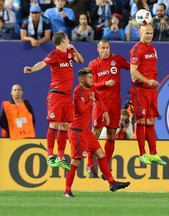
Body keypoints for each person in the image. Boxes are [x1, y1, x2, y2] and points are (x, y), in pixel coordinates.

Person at [63, 67, 130, 198]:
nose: (92, 79)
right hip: (76, 131)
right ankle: (67, 191)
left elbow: (99, 99)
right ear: (82, 79)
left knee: (101, 154)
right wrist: (91, 100)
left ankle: (112, 183)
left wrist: (105, 112)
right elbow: (82, 110)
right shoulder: (78, 91)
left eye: (92, 77)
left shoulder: (92, 88)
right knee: (76, 161)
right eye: (89, 78)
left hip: (86, 131)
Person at [23, 31, 84, 171]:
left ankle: (61, 157)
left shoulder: (69, 53)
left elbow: (81, 61)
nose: (69, 40)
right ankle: (50, 155)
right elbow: (42, 63)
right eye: (67, 38)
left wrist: (74, 49)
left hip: (68, 96)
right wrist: (31, 69)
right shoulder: (54, 55)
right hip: (56, 95)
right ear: (63, 40)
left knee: (64, 126)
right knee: (54, 125)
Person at [87, 39, 130, 178]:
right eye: (103, 48)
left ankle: (105, 167)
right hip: (100, 103)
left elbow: (130, 67)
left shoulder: (116, 60)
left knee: (112, 134)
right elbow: (91, 84)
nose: (106, 51)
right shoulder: (93, 64)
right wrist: (105, 82)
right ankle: (89, 164)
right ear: (98, 49)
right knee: (96, 132)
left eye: (107, 48)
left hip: (114, 103)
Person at [129, 24, 166, 166]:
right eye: (147, 33)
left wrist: (151, 82)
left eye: (151, 33)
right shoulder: (136, 49)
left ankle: (154, 153)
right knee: (141, 121)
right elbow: (133, 70)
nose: (149, 36)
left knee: (151, 122)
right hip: (140, 90)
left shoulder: (153, 49)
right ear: (140, 33)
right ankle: (142, 153)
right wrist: (147, 80)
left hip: (151, 91)